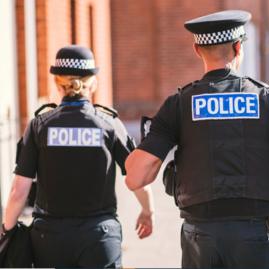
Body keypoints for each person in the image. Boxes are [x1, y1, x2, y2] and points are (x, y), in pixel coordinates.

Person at [125, 10, 269, 268]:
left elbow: (136, 177)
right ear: (239, 48)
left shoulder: (180, 105)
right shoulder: (268, 100)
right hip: (255, 234)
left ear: (197, 50)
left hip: (200, 235)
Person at [2, 45, 155, 267]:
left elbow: (18, 192)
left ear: (57, 82)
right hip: (99, 237)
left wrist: (6, 229)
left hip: (49, 239)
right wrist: (147, 211)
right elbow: (137, 178)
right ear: (93, 82)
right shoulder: (109, 124)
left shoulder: (39, 126)